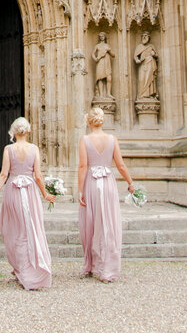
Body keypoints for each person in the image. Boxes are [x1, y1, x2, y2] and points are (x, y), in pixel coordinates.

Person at [0, 116, 53, 290]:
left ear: (14, 132)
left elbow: (4, 174)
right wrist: (45, 194)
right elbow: (38, 176)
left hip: (13, 190)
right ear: (28, 131)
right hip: (30, 191)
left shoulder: (9, 149)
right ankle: (30, 268)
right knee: (31, 228)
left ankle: (20, 267)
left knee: (15, 229)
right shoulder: (34, 149)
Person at [78, 106, 135, 283]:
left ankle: (91, 265)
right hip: (108, 183)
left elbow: (83, 166)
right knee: (109, 224)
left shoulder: (85, 140)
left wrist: (80, 190)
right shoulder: (112, 139)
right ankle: (108, 269)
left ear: (89, 121)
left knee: (91, 224)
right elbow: (121, 165)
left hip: (92, 183)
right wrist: (130, 182)